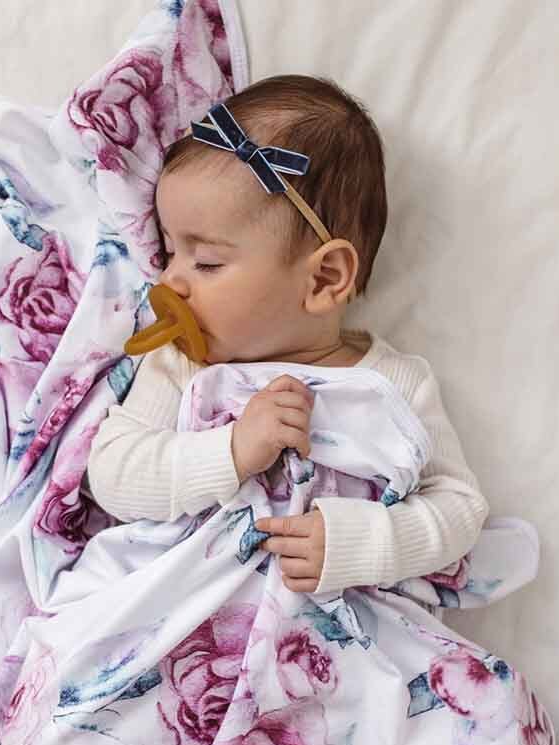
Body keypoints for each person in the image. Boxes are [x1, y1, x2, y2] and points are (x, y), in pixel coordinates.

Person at [84, 74, 488, 597]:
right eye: (169, 251)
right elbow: (112, 476)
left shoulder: (393, 384)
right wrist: (231, 450)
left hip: (328, 628)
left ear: (323, 278)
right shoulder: (183, 365)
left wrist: (360, 543)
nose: (169, 281)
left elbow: (459, 507)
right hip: (182, 609)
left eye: (206, 261)